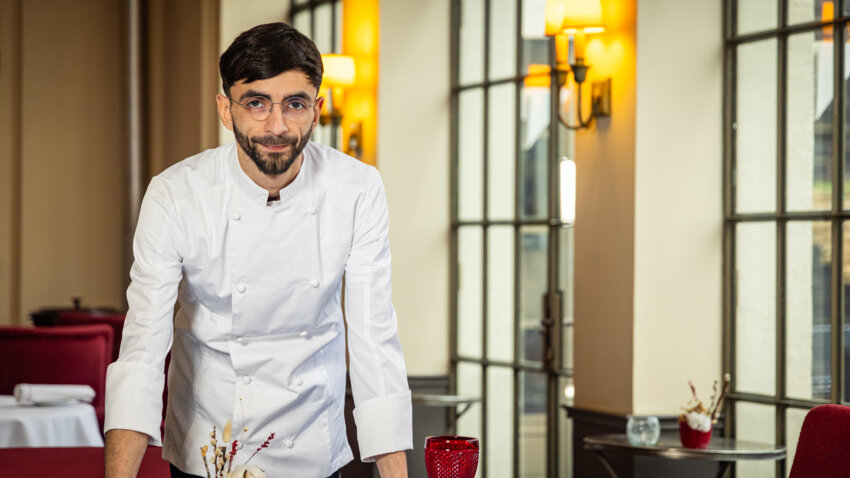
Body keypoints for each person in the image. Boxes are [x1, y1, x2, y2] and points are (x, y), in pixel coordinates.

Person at [104, 22, 411, 478]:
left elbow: (373, 339)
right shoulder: (175, 195)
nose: (277, 126)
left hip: (312, 445)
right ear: (226, 109)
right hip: (209, 448)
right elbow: (143, 347)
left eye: (295, 104)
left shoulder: (357, 189)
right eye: (256, 103)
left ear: (317, 109)